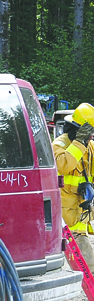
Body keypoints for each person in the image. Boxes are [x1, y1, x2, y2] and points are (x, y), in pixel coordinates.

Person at [52, 103, 94, 269]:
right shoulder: (59, 145)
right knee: (88, 265)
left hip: (80, 214)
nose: (91, 137)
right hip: (66, 218)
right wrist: (79, 143)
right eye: (89, 133)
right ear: (78, 129)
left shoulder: (89, 146)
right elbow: (63, 166)